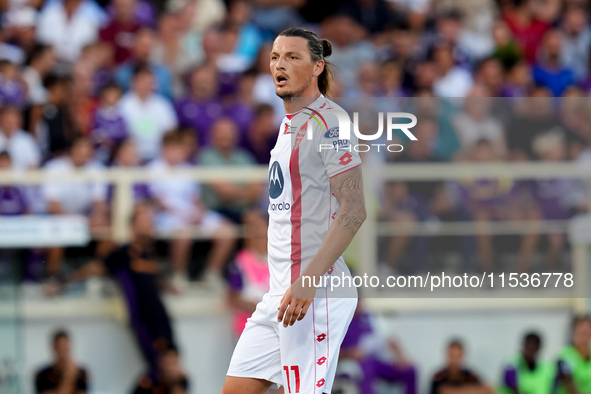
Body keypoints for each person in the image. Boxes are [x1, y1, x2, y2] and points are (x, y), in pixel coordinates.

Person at [222, 27, 366, 394]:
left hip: (315, 292)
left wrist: (309, 280)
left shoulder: (329, 124)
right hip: (279, 294)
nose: (279, 65)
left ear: (318, 66)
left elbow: (353, 210)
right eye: (274, 57)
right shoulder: (288, 124)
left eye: (292, 57)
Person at [69, 204, 177, 378]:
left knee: (174, 368)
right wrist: (65, 281)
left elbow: (155, 278)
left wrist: (170, 287)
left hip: (161, 317)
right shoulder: (123, 253)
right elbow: (97, 267)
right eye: (144, 221)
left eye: (150, 221)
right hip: (144, 321)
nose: (149, 224)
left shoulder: (151, 253)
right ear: (133, 225)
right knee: (159, 371)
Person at [338, 303, 417, 394]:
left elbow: (390, 339)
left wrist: (401, 356)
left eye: (360, 302)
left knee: (410, 370)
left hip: (376, 361)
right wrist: (349, 353)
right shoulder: (341, 321)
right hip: (353, 364)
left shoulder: (370, 317)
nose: (358, 306)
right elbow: (331, 353)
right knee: (366, 370)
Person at [226, 210, 270, 337]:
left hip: (272, 327)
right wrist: (257, 306)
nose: (261, 239)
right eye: (256, 235)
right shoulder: (241, 262)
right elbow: (231, 298)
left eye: (263, 235)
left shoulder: (277, 260)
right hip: (247, 327)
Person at [34, 330, 90, 394]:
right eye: (61, 349)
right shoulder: (42, 375)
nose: (64, 353)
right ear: (55, 348)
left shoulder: (81, 373)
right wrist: (68, 378)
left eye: (66, 349)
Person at [555, 316, 591, 394]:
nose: (585, 338)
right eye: (582, 333)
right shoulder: (565, 356)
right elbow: (570, 385)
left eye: (588, 333)